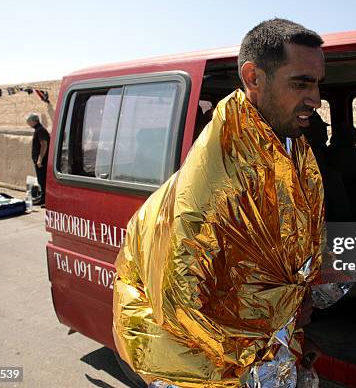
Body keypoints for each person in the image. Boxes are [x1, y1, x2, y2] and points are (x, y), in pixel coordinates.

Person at [113, 19, 338, 388]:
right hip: (201, 369)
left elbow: (286, 254)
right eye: (301, 83)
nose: (315, 98)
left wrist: (293, 327)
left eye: (317, 84)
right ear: (253, 78)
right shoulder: (217, 180)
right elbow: (181, 303)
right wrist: (267, 350)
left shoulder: (288, 146)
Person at [26, 113, 49, 205]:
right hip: (38, 160)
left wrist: (40, 159)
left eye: (29, 122)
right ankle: (43, 198)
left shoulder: (40, 130)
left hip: (42, 160)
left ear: (34, 121)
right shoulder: (38, 129)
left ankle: (44, 199)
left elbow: (44, 145)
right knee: (41, 179)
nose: (28, 124)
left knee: (42, 180)